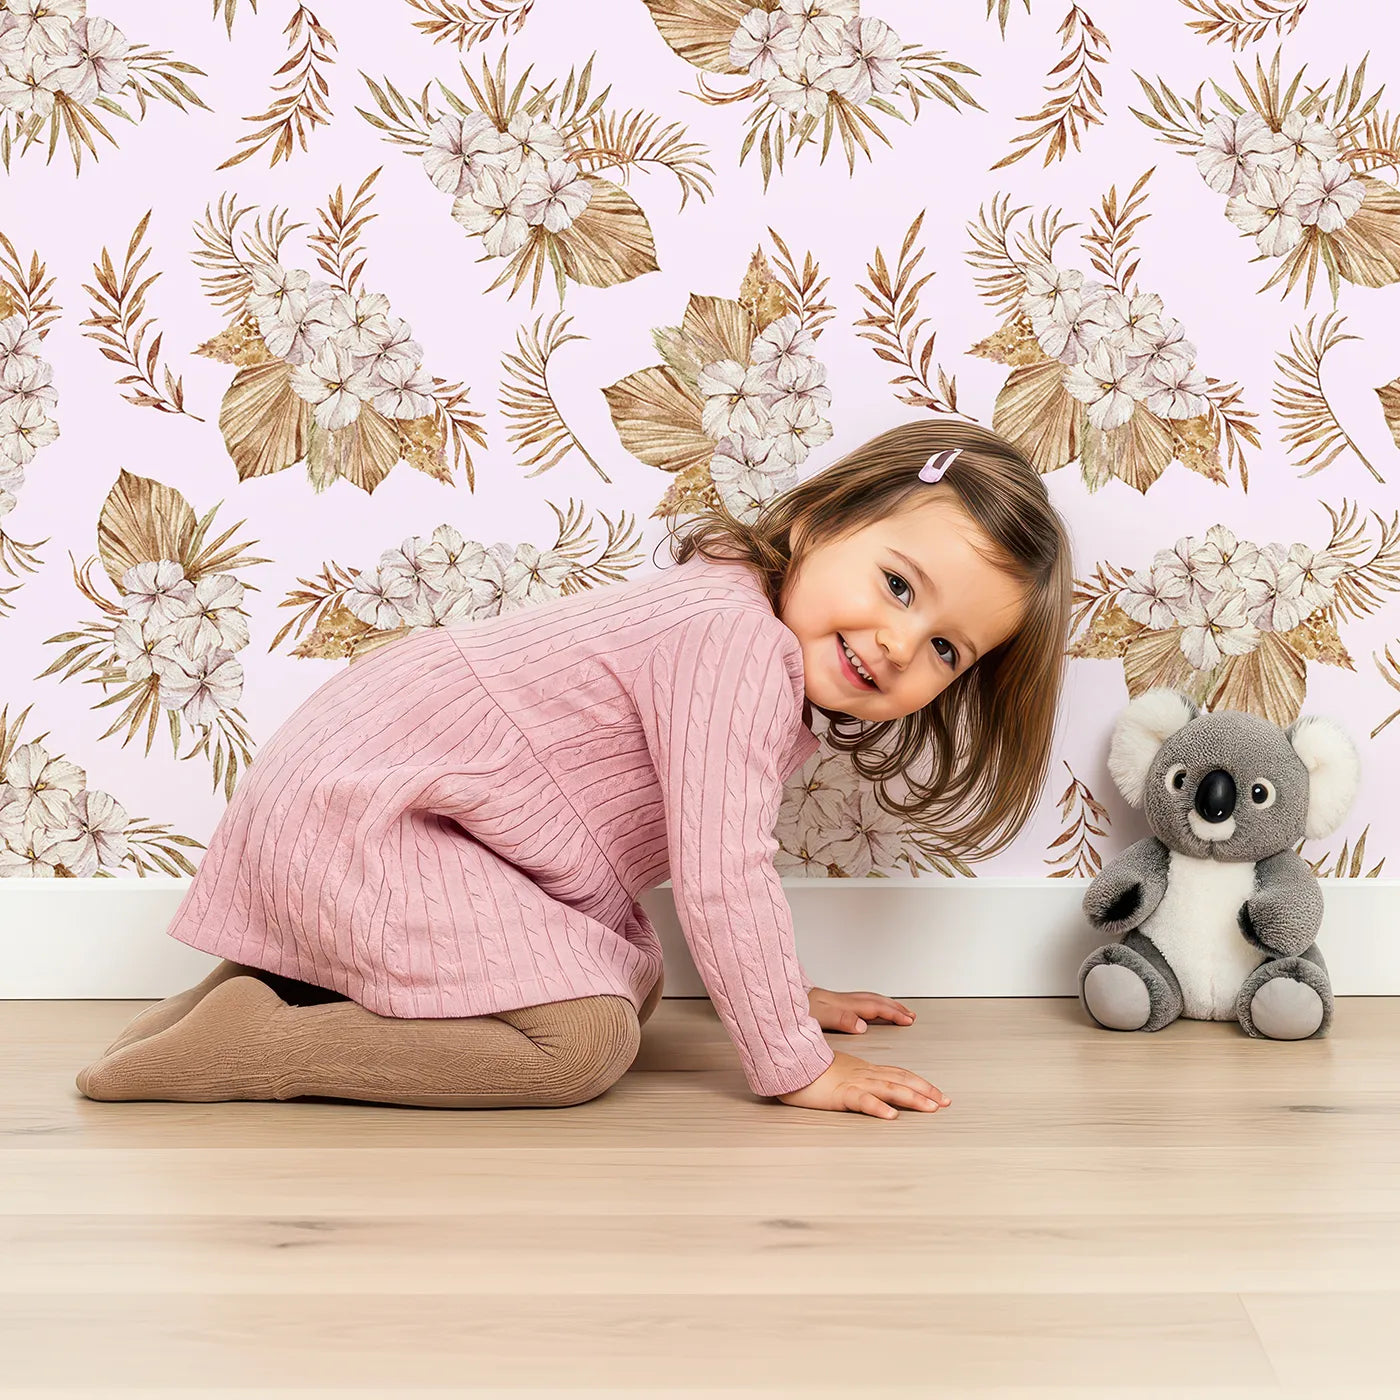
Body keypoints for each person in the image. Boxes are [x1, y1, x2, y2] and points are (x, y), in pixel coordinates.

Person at [75, 419, 1073, 1120]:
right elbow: (722, 872)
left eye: (946, 650)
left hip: (369, 806)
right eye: (897, 585)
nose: (901, 643)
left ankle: (272, 983)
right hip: (367, 815)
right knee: (582, 1041)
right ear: (815, 523)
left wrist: (785, 987)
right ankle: (263, 1042)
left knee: (619, 981)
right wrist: (793, 1061)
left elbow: (713, 866)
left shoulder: (730, 616)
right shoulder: (733, 642)